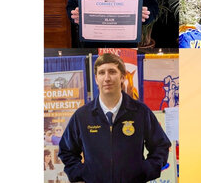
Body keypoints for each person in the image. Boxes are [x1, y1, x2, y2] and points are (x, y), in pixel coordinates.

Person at [59, 53, 171, 183]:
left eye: (112, 72)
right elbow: (66, 150)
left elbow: (161, 146)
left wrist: (145, 170)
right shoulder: (82, 116)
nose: (107, 78)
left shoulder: (140, 112)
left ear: (122, 77)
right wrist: (81, 174)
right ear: (96, 79)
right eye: (101, 73)